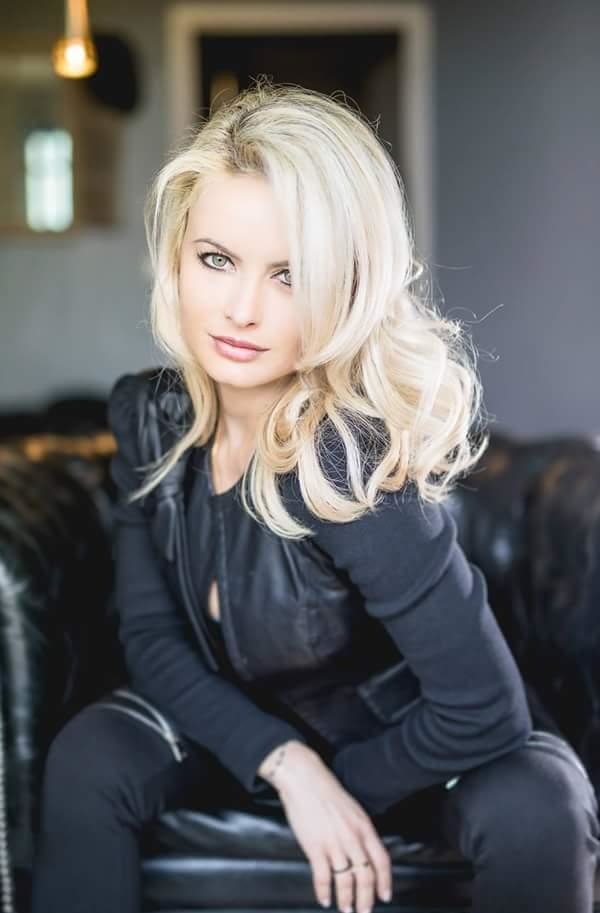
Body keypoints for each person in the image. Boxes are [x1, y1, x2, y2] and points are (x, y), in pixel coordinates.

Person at [31, 77, 599, 913]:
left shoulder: (348, 460)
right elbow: (152, 639)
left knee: (536, 803)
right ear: (177, 256)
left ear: (347, 286)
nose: (241, 309)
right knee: (91, 752)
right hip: (245, 737)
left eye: (290, 275)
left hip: (402, 747)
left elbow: (482, 707)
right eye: (216, 259)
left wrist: (339, 783)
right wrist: (287, 767)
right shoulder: (149, 416)